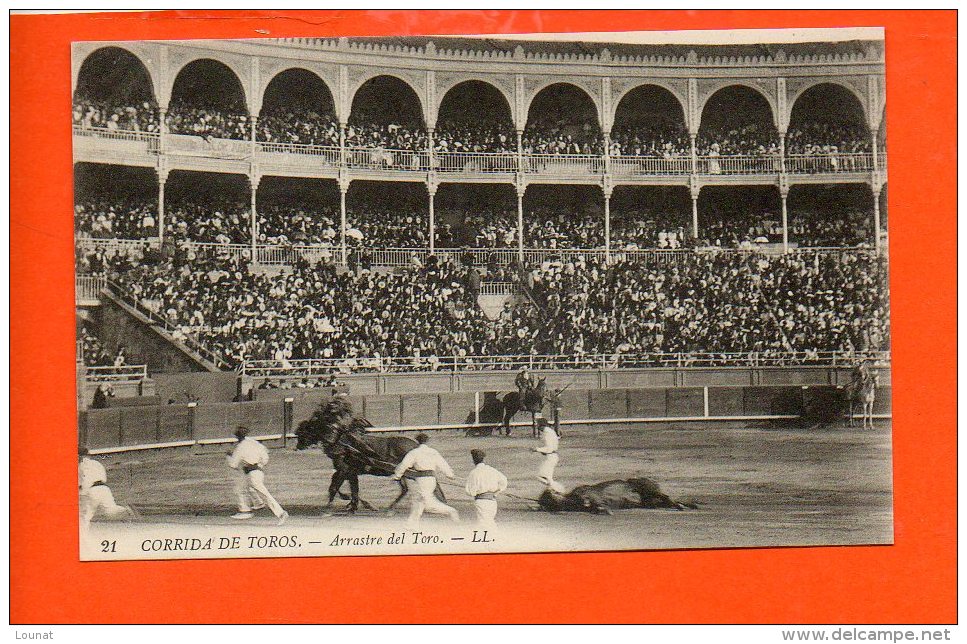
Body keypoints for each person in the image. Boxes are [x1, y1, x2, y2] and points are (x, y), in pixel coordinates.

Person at [392, 433, 460, 527]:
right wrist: (450, 474)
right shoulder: (433, 452)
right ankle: (411, 524)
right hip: (431, 479)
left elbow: (404, 465)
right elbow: (443, 464)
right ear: (426, 441)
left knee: (427, 503)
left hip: (422, 480)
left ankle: (451, 511)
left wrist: (397, 475)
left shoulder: (414, 452)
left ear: (417, 441)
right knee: (419, 501)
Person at [227, 426, 288, 525]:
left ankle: (280, 513)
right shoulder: (254, 443)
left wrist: (229, 456)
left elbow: (233, 464)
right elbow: (265, 457)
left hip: (252, 473)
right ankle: (253, 507)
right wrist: (260, 464)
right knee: (242, 488)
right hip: (258, 471)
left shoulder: (240, 447)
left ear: (238, 436)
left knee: (261, 492)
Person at [78, 445, 133, 530]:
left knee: (83, 518)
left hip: (91, 490)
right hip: (104, 489)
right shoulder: (97, 463)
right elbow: (103, 478)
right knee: (111, 511)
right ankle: (125, 510)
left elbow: (82, 483)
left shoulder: (79, 466)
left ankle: (84, 540)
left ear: (79, 456)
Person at [464, 449, 508, 526]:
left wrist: (475, 491)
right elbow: (504, 481)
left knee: (484, 524)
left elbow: (469, 491)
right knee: (489, 521)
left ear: (474, 460)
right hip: (492, 501)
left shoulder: (474, 473)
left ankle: (497, 537)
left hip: (481, 501)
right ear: (483, 459)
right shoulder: (491, 470)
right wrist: (496, 492)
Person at [532, 418, 565, 494]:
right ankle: (555, 491)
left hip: (551, 457)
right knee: (547, 478)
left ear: (542, 425)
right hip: (552, 456)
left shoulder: (547, 433)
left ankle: (559, 490)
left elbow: (549, 449)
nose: (537, 427)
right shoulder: (549, 431)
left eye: (538, 425)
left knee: (540, 476)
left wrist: (537, 449)